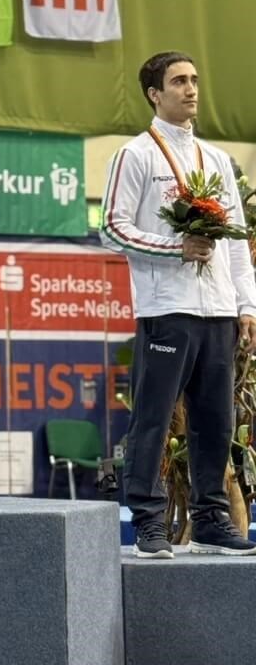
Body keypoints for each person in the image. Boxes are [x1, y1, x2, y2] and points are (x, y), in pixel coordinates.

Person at [101, 50, 256, 558]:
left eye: (194, 80)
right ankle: (148, 522)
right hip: (167, 308)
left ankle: (211, 519)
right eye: (179, 81)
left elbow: (234, 243)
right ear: (154, 93)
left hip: (217, 313)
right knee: (153, 417)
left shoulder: (214, 160)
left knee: (216, 422)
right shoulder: (136, 154)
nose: (191, 89)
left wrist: (246, 306)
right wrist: (175, 247)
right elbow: (112, 227)